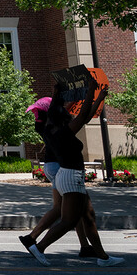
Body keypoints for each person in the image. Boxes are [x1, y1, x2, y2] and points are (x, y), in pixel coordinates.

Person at [27, 82, 122, 267]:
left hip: (66, 175)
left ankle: (103, 257)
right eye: (67, 115)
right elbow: (84, 115)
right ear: (63, 119)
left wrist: (58, 93)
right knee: (69, 221)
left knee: (88, 215)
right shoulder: (64, 132)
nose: (70, 115)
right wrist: (90, 93)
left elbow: (79, 116)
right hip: (72, 177)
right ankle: (40, 247)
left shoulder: (49, 129)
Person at [19, 97, 94, 258]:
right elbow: (82, 118)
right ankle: (36, 241)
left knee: (68, 209)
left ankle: (85, 246)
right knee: (71, 211)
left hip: (51, 166)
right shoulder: (60, 129)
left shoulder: (44, 126)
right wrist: (90, 96)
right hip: (62, 167)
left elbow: (65, 113)